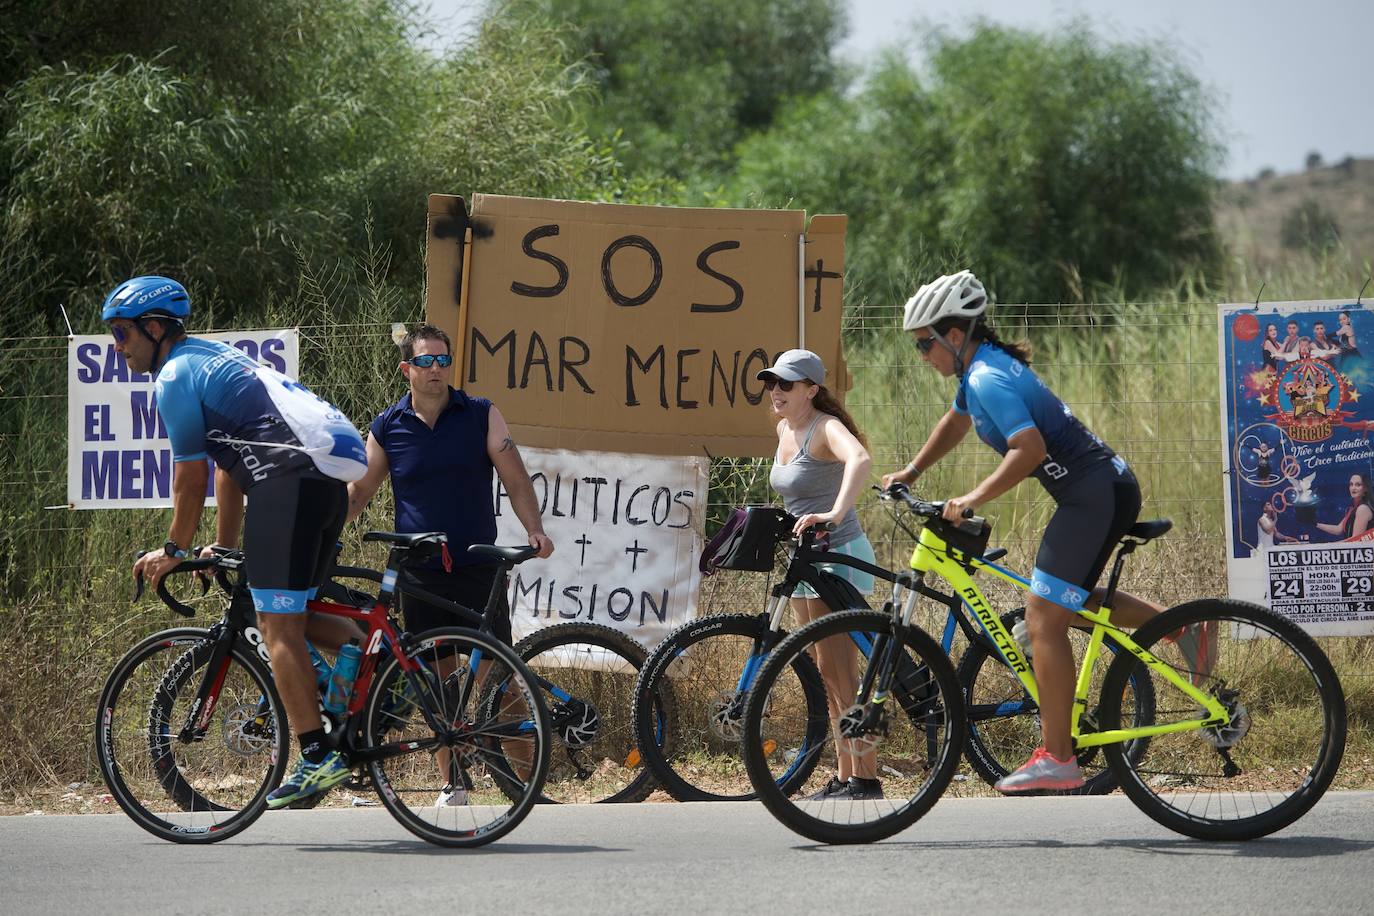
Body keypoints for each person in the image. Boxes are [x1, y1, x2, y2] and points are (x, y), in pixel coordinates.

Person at [881, 269, 1211, 793]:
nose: (922, 357)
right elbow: (956, 422)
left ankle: (1059, 756)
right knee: (1062, 604)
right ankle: (1178, 626)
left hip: (1093, 494)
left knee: (1042, 616)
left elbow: (1028, 449)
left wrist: (969, 499)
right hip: (1096, 490)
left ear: (954, 334)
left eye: (925, 345)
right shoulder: (978, 375)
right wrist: (912, 472)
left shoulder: (989, 375)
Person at [105, 275, 369, 809]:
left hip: (288, 481)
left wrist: (174, 550)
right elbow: (228, 470)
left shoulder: (175, 374)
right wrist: (223, 546)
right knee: (297, 612)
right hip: (324, 481)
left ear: (154, 328)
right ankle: (375, 664)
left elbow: (192, 478)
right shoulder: (213, 357)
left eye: (122, 333)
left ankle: (318, 757)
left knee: (277, 629)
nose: (118, 347)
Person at [346, 323, 553, 805]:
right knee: (437, 690)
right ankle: (454, 783)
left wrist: (534, 529)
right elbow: (359, 492)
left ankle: (527, 782)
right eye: (425, 361)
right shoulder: (388, 426)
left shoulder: (480, 414)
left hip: (478, 566)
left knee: (499, 682)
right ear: (407, 369)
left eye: (442, 360)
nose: (436, 369)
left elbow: (515, 477)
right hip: (419, 575)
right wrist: (315, 531)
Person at [758, 348, 881, 801]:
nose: (776, 392)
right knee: (824, 675)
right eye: (772, 383)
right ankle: (845, 773)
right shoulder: (783, 428)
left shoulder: (825, 427)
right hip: (805, 560)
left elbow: (861, 460)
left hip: (839, 555)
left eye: (786, 384)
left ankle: (866, 777)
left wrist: (833, 512)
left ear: (812, 389)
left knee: (843, 675)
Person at [1316, 473, 1374, 540]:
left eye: (1358, 485)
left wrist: (1329, 546)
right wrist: (1315, 524)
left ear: (1365, 488)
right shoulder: (1353, 508)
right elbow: (1338, 529)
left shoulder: (1363, 509)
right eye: (1351, 484)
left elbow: (1356, 540)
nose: (1353, 488)